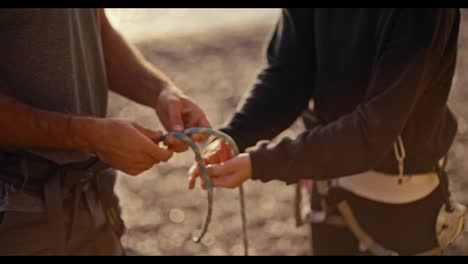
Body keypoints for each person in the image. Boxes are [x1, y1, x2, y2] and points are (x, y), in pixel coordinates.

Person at [189, 8, 465, 255]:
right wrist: (234, 136)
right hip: (325, 178)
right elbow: (287, 74)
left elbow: (372, 130)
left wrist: (260, 163)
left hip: (399, 190)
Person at [0, 8, 210, 255]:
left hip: (94, 199)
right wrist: (91, 135)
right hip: (16, 216)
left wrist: (161, 91)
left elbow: (97, 30)